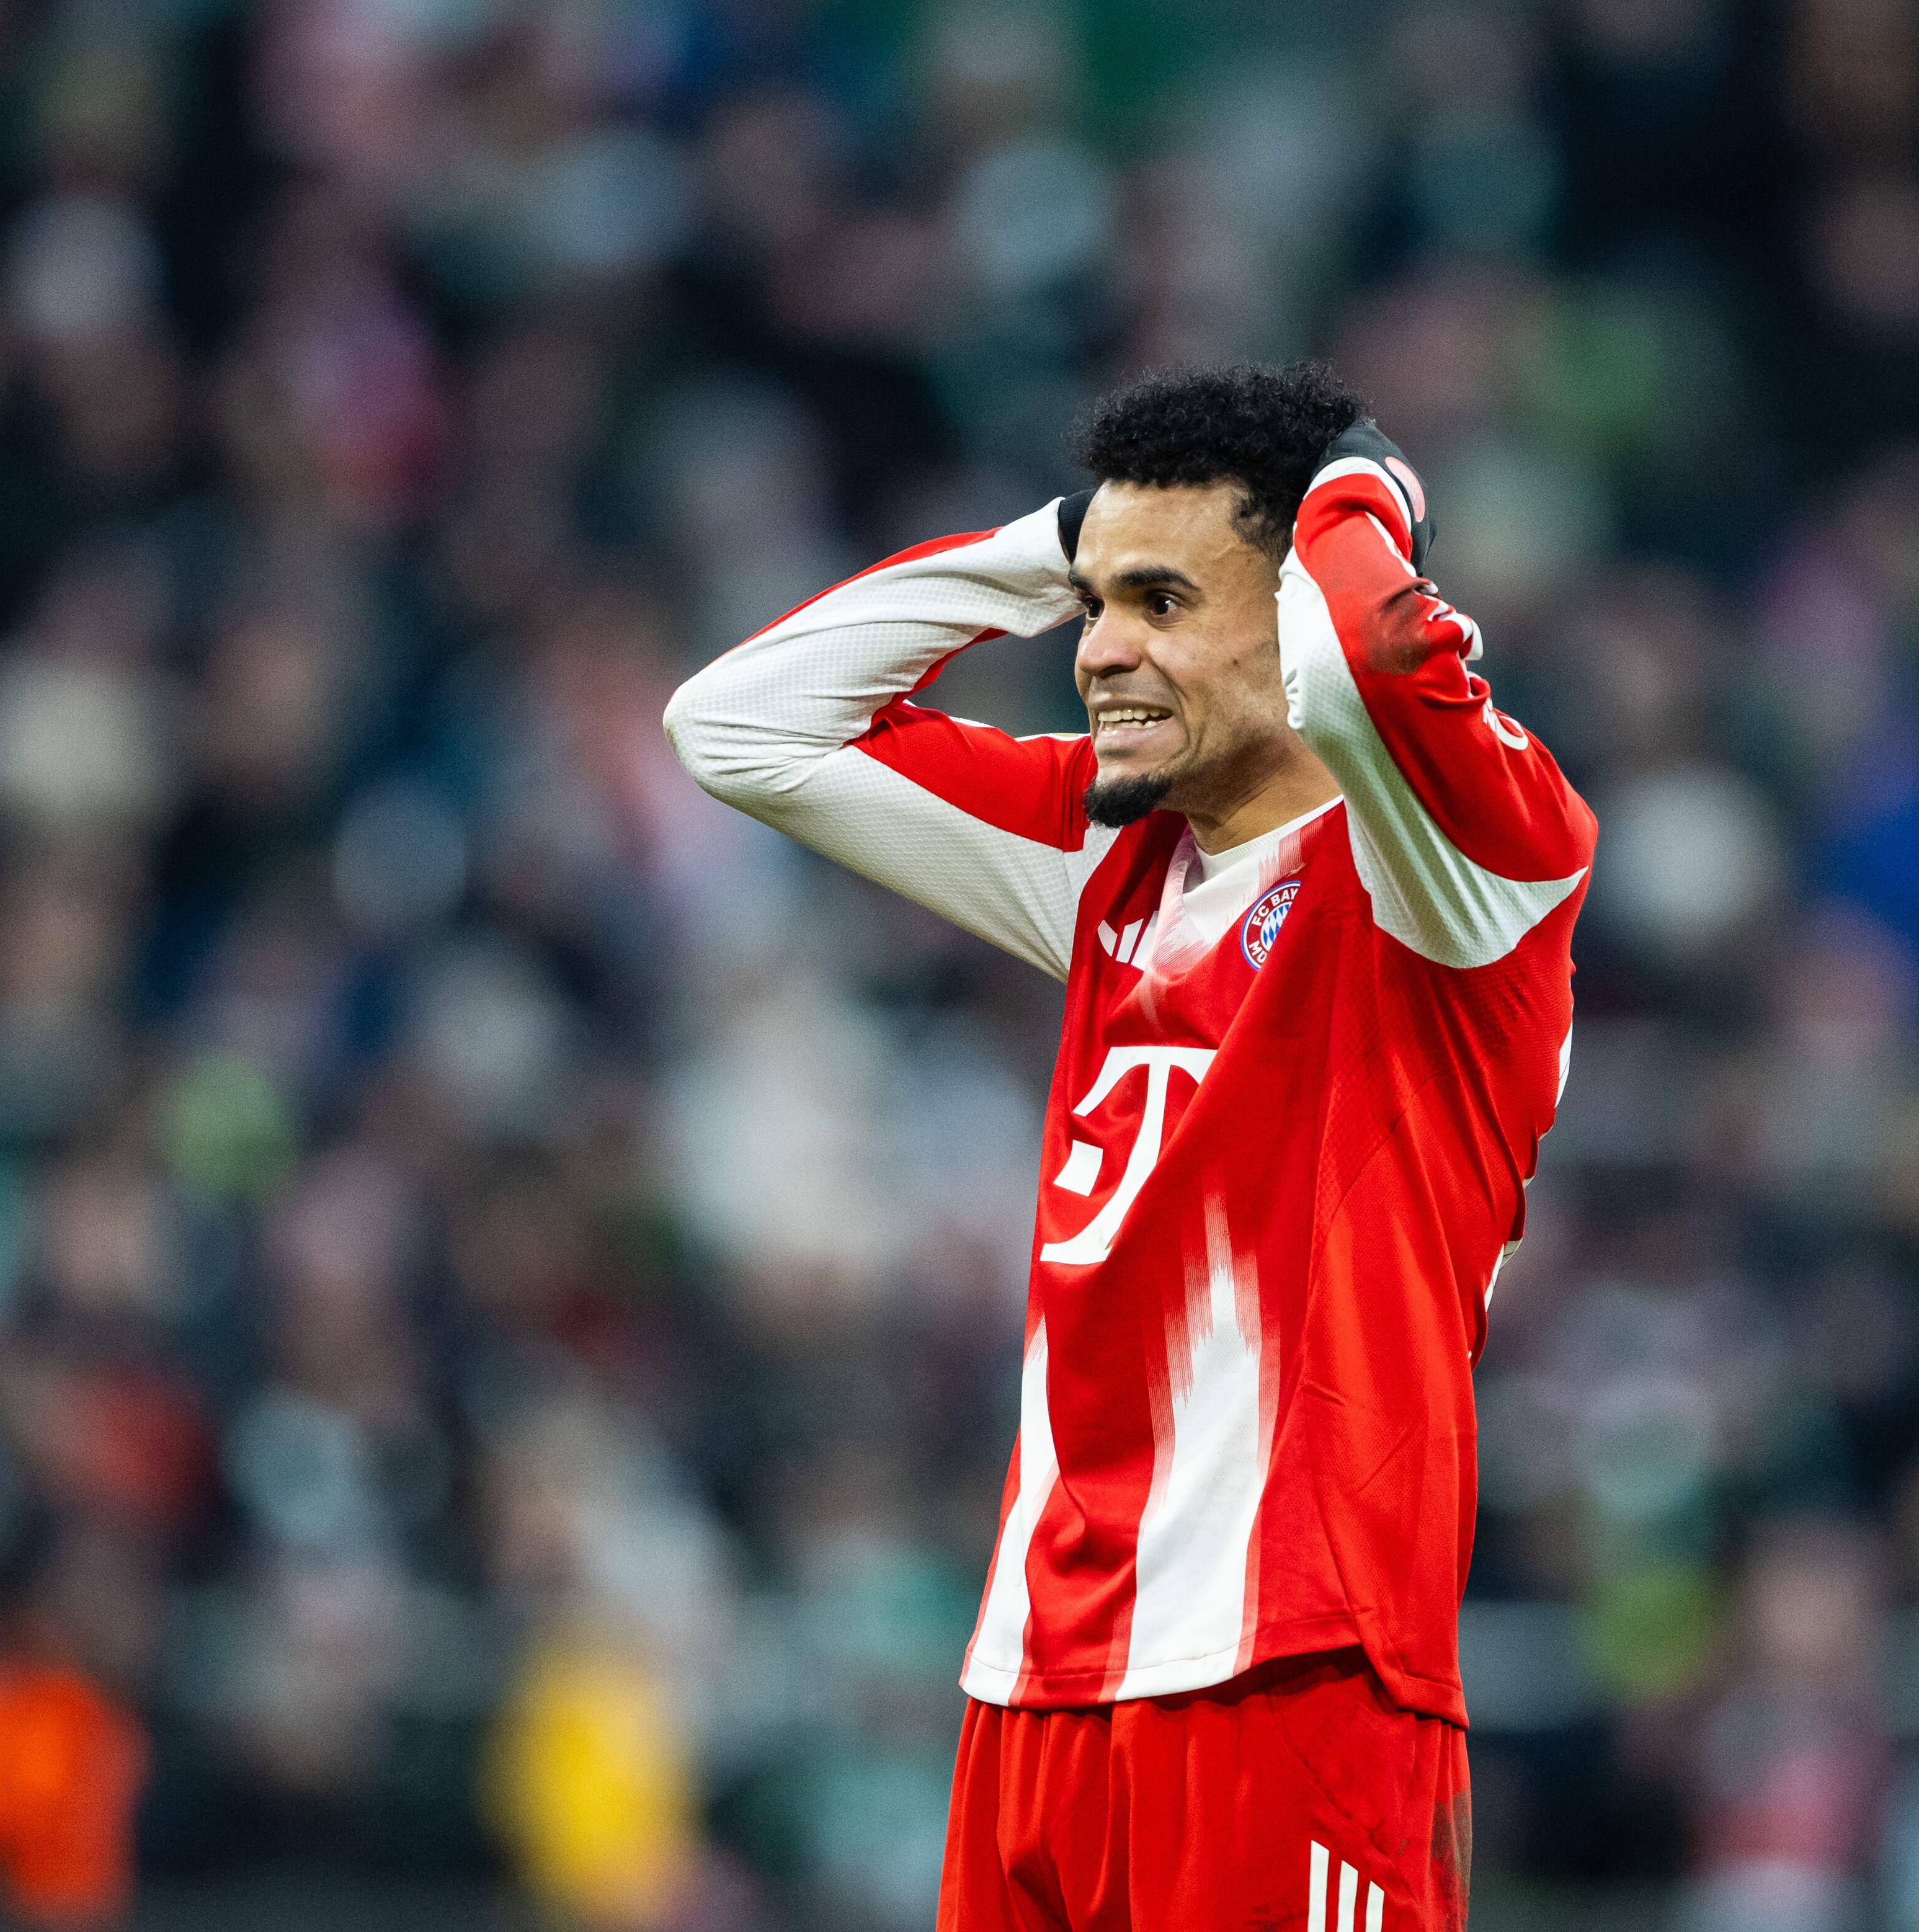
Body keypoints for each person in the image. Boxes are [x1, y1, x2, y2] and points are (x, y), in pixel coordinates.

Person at [665, 362, 1593, 1930]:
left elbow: (1375, 648)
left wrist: (1360, 495)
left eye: (1162, 602)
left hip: (1296, 1673)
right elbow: (738, 726)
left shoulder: (1456, 880)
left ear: (1287, 609)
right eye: (1096, 608)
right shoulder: (1106, 861)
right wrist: (1062, 542)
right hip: (1034, 1678)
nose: (1101, 652)